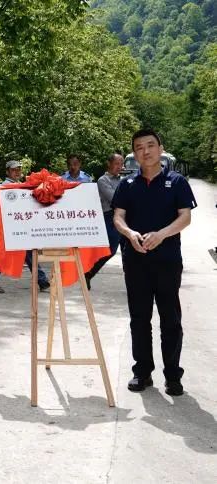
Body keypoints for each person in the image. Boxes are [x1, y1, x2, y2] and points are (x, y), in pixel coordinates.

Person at [112, 128, 196, 396]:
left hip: (167, 260)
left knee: (170, 318)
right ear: (134, 153)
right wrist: (129, 233)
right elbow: (118, 217)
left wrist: (161, 234)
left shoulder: (177, 181)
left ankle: (172, 375)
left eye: (150, 145)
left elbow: (185, 217)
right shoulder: (127, 184)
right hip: (135, 260)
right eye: (139, 147)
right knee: (139, 318)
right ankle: (142, 372)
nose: (145, 151)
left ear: (160, 149)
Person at [0, 160, 50, 293]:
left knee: (28, 254)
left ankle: (42, 280)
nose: (17, 172)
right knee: (5, 255)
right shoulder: (5, 187)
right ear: (7, 172)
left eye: (18, 169)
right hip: (9, 227)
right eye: (14, 170)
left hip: (19, 226)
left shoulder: (18, 185)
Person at [84, 153, 124, 289]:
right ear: (109, 164)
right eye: (117, 163)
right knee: (110, 250)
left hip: (125, 216)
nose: (119, 167)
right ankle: (89, 273)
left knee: (128, 251)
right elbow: (114, 199)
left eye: (121, 164)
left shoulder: (122, 180)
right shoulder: (103, 180)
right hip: (110, 216)